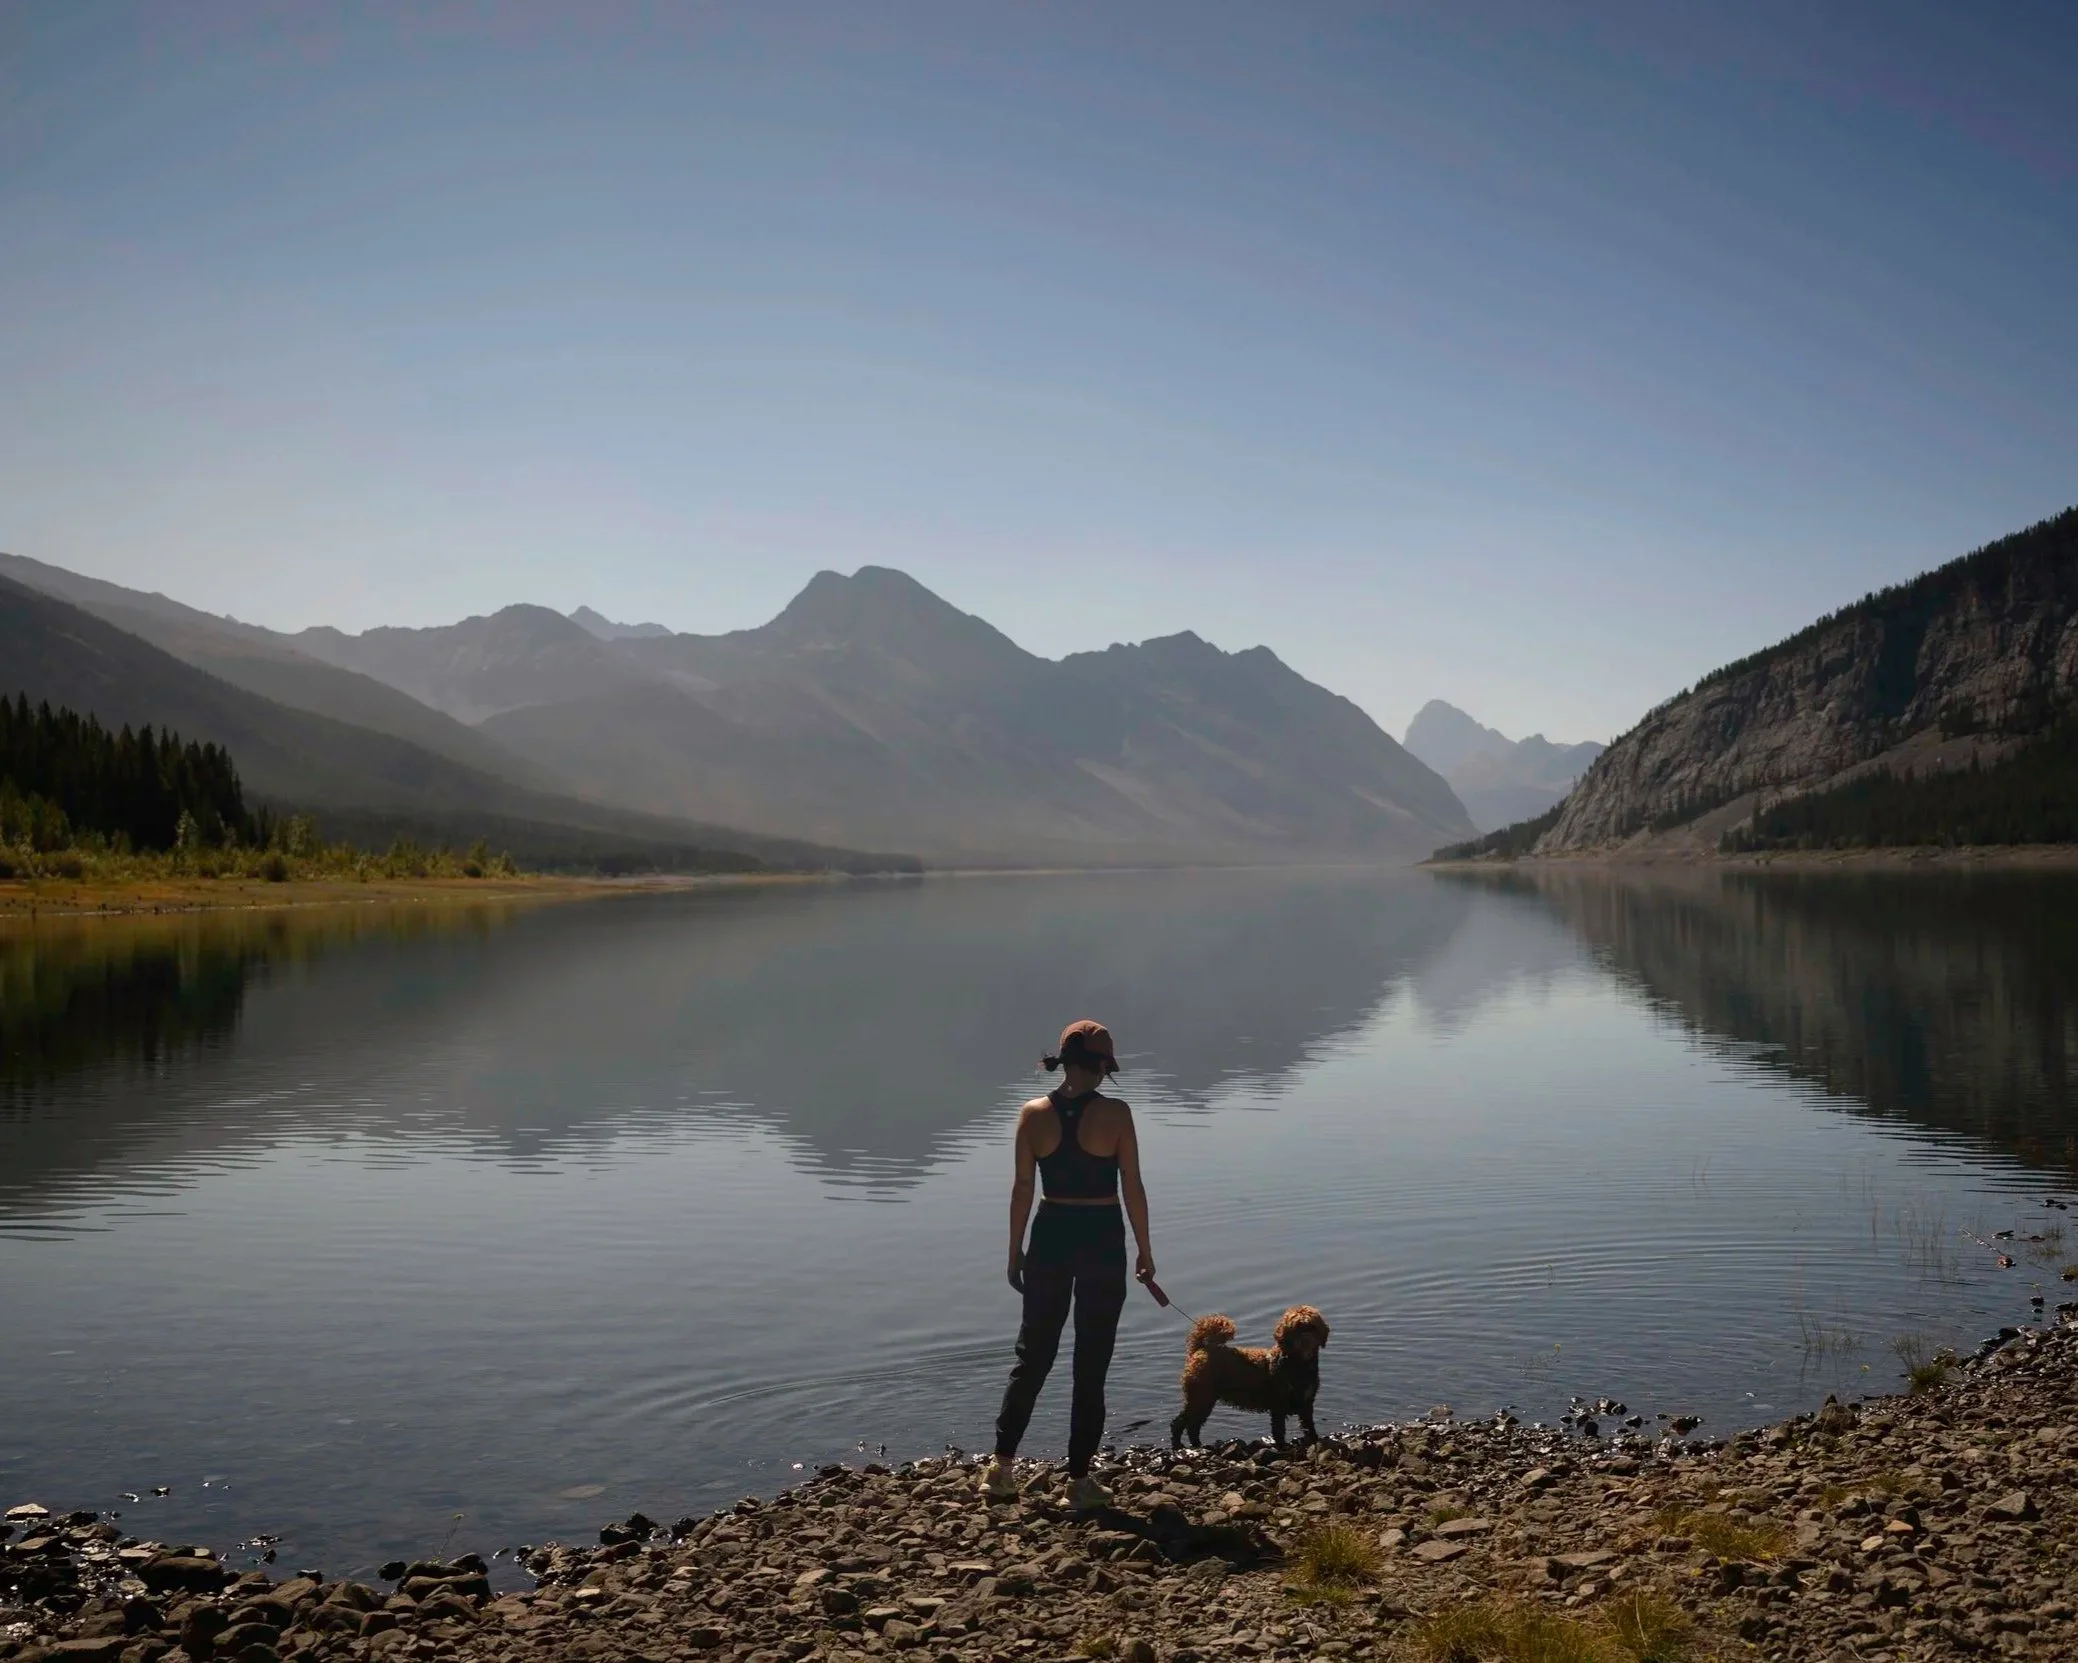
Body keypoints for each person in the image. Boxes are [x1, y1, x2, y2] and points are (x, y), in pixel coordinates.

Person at [981, 1018, 1154, 1508]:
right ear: (1101, 1065)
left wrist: (1014, 1251)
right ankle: (1079, 1483)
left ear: (1063, 1059)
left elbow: (1021, 1190)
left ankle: (1001, 1469)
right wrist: (1145, 1249)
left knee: (1032, 1356)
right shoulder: (1117, 1115)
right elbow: (1132, 1187)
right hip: (1101, 1237)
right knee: (1091, 1363)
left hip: (1050, 1233)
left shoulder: (1031, 1114)